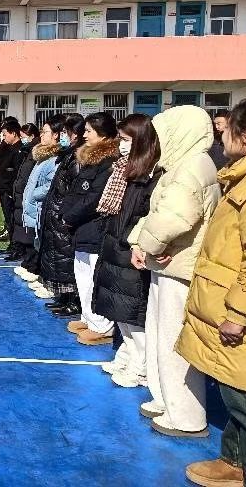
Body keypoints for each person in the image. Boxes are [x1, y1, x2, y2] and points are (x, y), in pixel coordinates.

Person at [129, 105, 221, 438]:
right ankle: (166, 399)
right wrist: (139, 241)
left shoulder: (191, 168)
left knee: (173, 342)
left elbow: (174, 217)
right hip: (168, 264)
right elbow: (158, 213)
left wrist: (146, 245)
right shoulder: (183, 166)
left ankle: (186, 417)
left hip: (179, 267)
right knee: (160, 335)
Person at [177, 99, 246, 487]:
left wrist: (238, 313)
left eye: (225, 131)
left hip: (241, 313)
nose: (220, 138)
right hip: (226, 300)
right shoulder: (242, 178)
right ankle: (235, 462)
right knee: (234, 391)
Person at [93, 114, 162, 387]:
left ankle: (140, 366)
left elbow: (142, 215)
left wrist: (132, 242)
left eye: (125, 140)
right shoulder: (125, 170)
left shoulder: (148, 176)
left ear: (141, 141)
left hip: (129, 250)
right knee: (119, 310)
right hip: (115, 245)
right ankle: (128, 355)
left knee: (132, 312)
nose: (121, 145)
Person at [61, 112, 119, 345]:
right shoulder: (90, 158)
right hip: (81, 227)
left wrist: (70, 216)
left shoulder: (108, 162)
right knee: (83, 276)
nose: (84, 135)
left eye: (88, 131)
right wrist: (67, 213)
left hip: (95, 227)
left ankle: (102, 326)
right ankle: (88, 317)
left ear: (103, 134)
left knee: (95, 278)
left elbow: (94, 198)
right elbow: (77, 191)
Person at [40, 113, 85, 314]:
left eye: (66, 132)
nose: (62, 136)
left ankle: (74, 301)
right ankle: (64, 297)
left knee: (66, 259)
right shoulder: (67, 154)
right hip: (56, 212)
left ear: (75, 134)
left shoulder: (77, 158)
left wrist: (65, 213)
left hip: (64, 215)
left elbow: (74, 191)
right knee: (58, 258)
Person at [18, 115, 64, 289]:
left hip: (41, 206)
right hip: (34, 206)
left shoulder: (54, 158)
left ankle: (41, 274)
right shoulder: (43, 156)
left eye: (45, 132)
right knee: (36, 240)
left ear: (56, 135)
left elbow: (49, 185)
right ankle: (36, 270)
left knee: (44, 243)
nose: (42, 135)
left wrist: (34, 194)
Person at [5, 123, 40, 262]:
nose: (22, 139)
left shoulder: (35, 151)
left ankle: (25, 253)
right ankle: (20, 250)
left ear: (31, 136)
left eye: (24, 136)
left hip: (26, 193)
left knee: (24, 224)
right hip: (20, 191)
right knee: (18, 221)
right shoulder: (27, 150)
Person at [0, 120, 23, 243]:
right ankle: (12, 242)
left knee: (11, 217)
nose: (4, 137)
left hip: (9, 189)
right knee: (7, 216)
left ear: (14, 133)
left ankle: (14, 243)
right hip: (3, 187)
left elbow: (16, 173)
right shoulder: (8, 148)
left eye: (5, 134)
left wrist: (11, 191)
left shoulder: (19, 150)